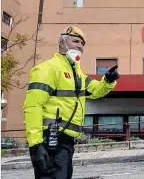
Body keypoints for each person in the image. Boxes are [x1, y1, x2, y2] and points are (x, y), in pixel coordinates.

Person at [22, 26, 120, 179]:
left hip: (66, 142)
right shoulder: (47, 68)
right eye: (75, 41)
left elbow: (94, 90)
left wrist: (107, 80)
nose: (80, 46)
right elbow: (33, 106)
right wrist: (36, 145)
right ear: (62, 43)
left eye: (82, 44)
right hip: (50, 140)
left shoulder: (77, 73)